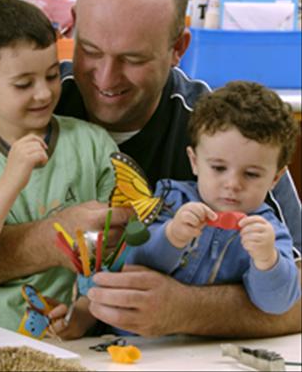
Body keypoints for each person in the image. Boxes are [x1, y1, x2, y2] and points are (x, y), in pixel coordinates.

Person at [0, 0, 301, 338]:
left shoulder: (226, 131)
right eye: (91, 50)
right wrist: (44, 241)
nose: (106, 77)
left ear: (178, 50)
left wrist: (187, 309)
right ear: (72, 27)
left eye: (133, 59)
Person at [0, 0, 130, 333]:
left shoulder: (92, 145)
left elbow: (126, 247)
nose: (44, 94)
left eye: (51, 76)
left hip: (60, 341)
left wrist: (84, 312)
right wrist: (10, 181)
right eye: (23, 84)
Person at [125, 81, 300, 315]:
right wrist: (171, 236)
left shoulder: (269, 232)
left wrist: (268, 260)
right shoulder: (169, 202)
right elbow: (131, 264)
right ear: (194, 161)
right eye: (218, 168)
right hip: (137, 343)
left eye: (251, 174)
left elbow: (277, 305)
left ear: (275, 179)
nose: (232, 184)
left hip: (211, 347)